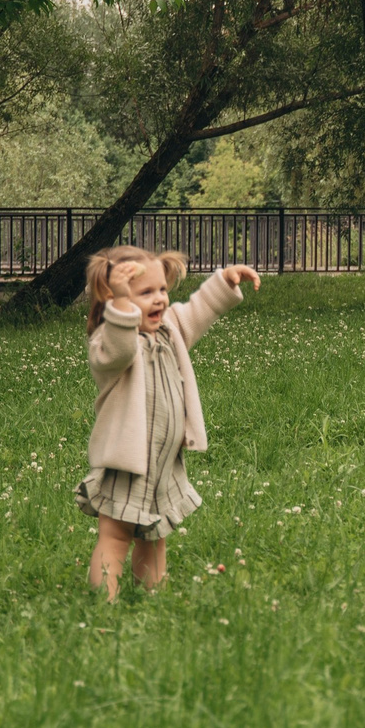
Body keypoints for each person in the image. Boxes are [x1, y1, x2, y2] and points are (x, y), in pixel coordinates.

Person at [80, 245, 262, 598]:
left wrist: (224, 281)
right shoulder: (110, 341)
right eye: (146, 292)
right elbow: (121, 349)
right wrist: (120, 305)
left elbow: (198, 310)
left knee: (155, 537)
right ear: (112, 297)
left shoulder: (169, 330)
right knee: (115, 537)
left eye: (162, 289)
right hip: (126, 464)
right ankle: (104, 602)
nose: (160, 299)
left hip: (163, 464)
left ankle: (153, 599)